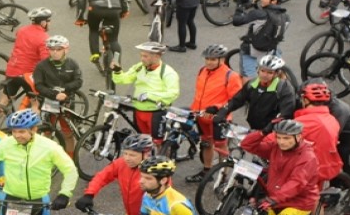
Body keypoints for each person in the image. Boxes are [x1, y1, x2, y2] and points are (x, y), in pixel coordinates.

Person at [185, 45, 242, 182]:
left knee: (221, 146)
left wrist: (217, 107)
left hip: (218, 117)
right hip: (201, 115)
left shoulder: (231, 76)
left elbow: (235, 100)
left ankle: (223, 176)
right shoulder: (202, 71)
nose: (209, 62)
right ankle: (206, 171)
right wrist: (194, 110)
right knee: (206, 143)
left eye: (213, 59)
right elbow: (199, 94)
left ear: (222, 60)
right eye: (207, 59)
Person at [73, 133, 152, 215]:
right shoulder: (121, 163)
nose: (127, 158)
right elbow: (102, 176)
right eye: (125, 153)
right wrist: (89, 194)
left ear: (146, 155)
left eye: (132, 155)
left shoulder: (154, 172)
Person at [111, 42, 180, 140]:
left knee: (157, 142)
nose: (142, 59)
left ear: (156, 56)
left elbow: (173, 93)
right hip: (138, 110)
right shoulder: (140, 67)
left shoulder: (168, 72)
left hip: (155, 113)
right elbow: (123, 80)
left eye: (145, 56)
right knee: (142, 141)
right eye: (141, 55)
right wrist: (117, 71)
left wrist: (149, 96)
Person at [212, 54, 296, 134]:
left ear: (276, 73)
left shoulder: (284, 89)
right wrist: (223, 111)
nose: (264, 75)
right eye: (262, 71)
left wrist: (267, 130)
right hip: (255, 127)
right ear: (258, 70)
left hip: (274, 131)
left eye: (269, 72)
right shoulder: (252, 84)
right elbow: (236, 100)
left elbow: (285, 114)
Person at [292, 81, 343, 184]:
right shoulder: (332, 119)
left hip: (308, 169)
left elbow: (275, 139)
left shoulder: (304, 121)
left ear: (305, 100)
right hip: (326, 165)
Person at [231, 0, 290, 78]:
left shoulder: (257, 14)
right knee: (280, 71)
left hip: (253, 51)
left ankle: (248, 81)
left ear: (274, 1)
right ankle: (284, 79)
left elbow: (236, 21)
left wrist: (239, 9)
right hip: (271, 50)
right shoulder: (286, 17)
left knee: (248, 80)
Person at [1, 7, 50, 109]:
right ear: (43, 22)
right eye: (48, 20)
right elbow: (45, 61)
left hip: (12, 69)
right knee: (35, 104)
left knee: (4, 101)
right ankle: (31, 118)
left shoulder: (21, 30)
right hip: (27, 75)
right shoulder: (44, 38)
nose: (50, 23)